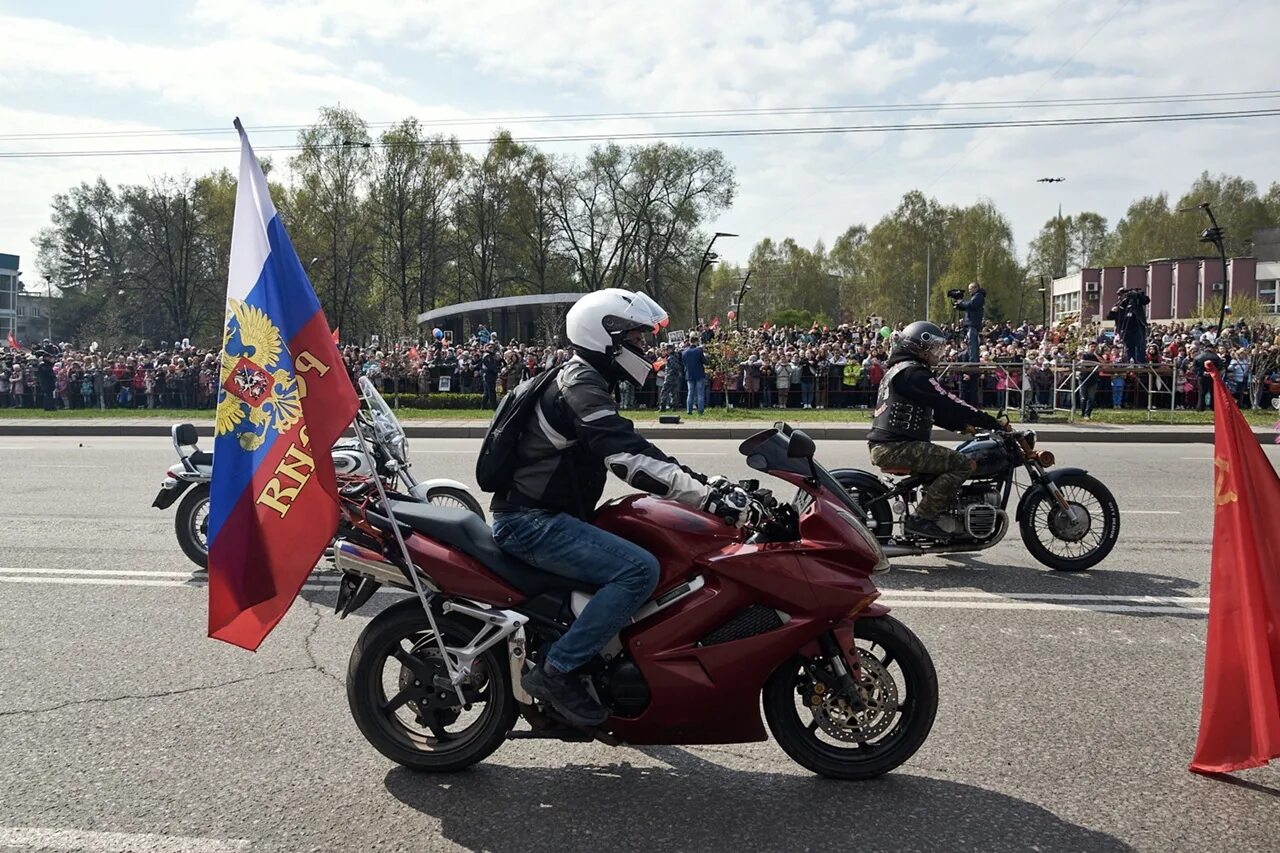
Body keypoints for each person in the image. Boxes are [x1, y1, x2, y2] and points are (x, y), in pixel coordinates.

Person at [490, 289, 761, 727]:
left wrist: (706, 483)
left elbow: (636, 446)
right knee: (639, 569)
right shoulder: (579, 385)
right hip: (531, 523)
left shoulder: (586, 379)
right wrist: (707, 498)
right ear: (606, 337)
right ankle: (558, 670)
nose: (644, 349)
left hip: (550, 517)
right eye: (636, 339)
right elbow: (626, 460)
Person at [866, 320, 1007, 542]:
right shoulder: (914, 373)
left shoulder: (901, 370)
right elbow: (949, 402)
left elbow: (935, 413)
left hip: (892, 445)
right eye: (934, 348)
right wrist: (992, 422)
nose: (937, 353)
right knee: (962, 464)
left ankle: (941, 514)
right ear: (918, 346)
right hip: (897, 447)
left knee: (947, 461)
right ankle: (922, 519)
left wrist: (963, 426)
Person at [1106, 287, 1151, 364]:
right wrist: (1112, 311)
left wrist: (1137, 295)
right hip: (1126, 329)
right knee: (1129, 347)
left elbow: (1147, 300)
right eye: (1121, 294)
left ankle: (1140, 362)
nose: (1123, 296)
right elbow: (1109, 317)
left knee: (1140, 345)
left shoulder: (1136, 301)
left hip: (1137, 327)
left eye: (1124, 294)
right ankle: (1131, 362)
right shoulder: (1120, 304)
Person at [954, 281, 985, 364]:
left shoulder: (979, 296)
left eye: (971, 289)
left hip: (973, 323)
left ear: (976, 288)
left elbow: (971, 304)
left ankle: (973, 362)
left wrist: (961, 302)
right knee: (971, 343)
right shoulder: (976, 296)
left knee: (972, 344)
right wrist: (960, 305)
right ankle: (973, 360)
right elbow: (970, 307)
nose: (969, 291)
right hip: (972, 323)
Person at [1193, 342, 1226, 411]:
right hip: (1212, 377)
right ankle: (1213, 407)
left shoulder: (1198, 357)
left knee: (1201, 393)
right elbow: (1220, 367)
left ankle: (1200, 407)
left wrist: (1202, 372)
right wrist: (1212, 372)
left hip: (1201, 377)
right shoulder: (1215, 357)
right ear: (1211, 348)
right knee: (1213, 392)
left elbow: (1195, 368)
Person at [682, 334, 707, 415]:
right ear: (696, 342)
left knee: (690, 393)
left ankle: (689, 410)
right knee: (700, 393)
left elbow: (684, 363)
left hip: (689, 374)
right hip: (699, 374)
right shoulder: (699, 351)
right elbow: (705, 361)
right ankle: (700, 410)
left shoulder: (684, 352)